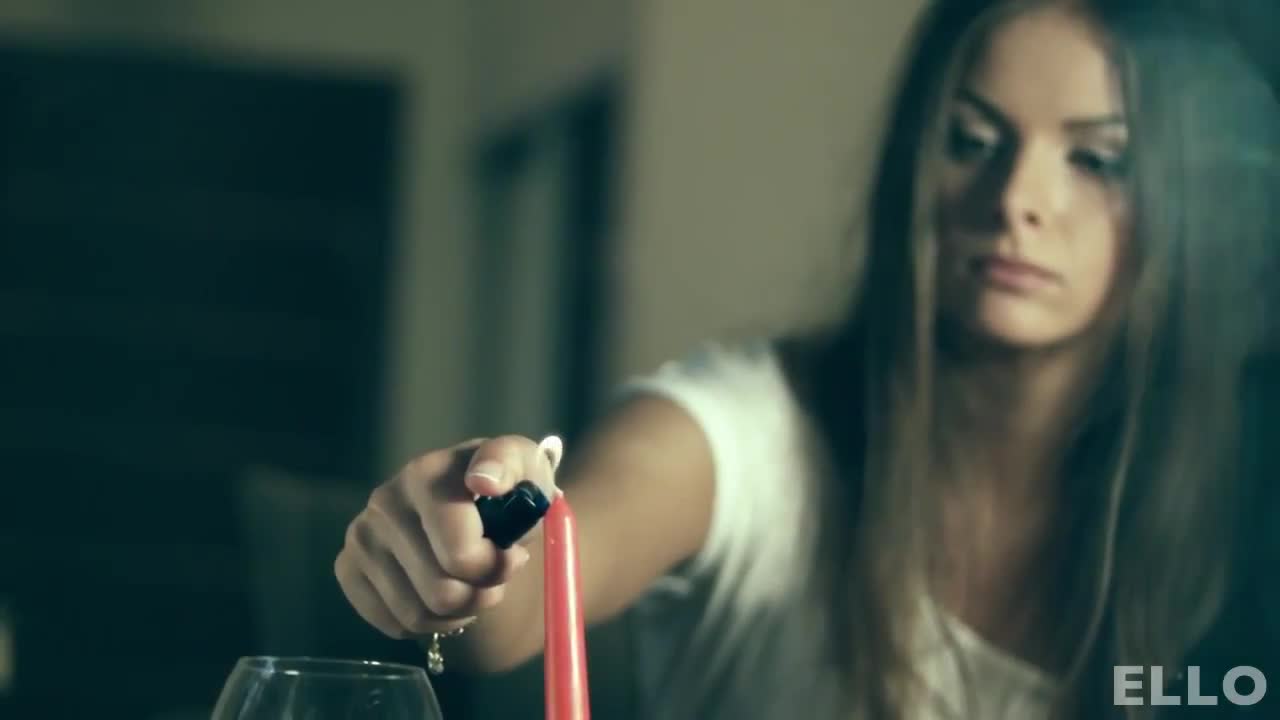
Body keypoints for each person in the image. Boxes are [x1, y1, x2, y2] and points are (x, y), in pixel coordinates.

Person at [334, 0, 1280, 717]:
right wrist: (464, 554)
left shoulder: (1238, 502)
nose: (1016, 200)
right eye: (970, 140)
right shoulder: (750, 431)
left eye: (1098, 160)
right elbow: (545, 577)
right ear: (912, 165)